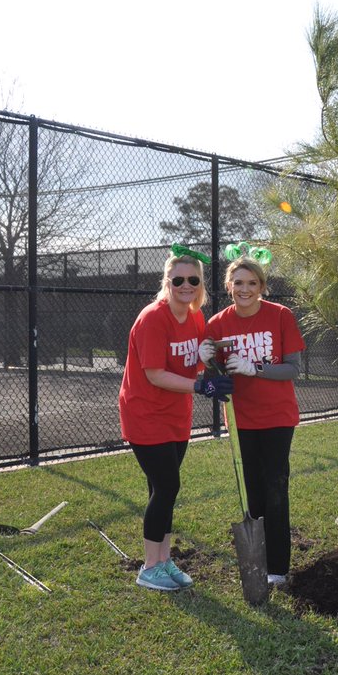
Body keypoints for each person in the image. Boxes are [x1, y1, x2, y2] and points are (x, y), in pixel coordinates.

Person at [118, 244, 234, 592]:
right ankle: (149, 567)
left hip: (175, 415)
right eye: (178, 279)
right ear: (167, 281)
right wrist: (201, 386)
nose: (186, 285)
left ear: (201, 283)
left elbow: (193, 361)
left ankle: (164, 560)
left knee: (162, 489)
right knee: (167, 486)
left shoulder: (196, 317)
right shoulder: (153, 318)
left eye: (193, 279)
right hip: (145, 413)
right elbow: (154, 374)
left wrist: (211, 370)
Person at [200, 241, 306, 587]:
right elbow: (215, 380)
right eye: (238, 283)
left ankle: (278, 567)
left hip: (277, 417)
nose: (245, 290)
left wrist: (255, 367)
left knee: (276, 488)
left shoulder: (279, 316)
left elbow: (292, 369)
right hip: (242, 420)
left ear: (262, 286)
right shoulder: (217, 323)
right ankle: (257, 560)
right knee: (253, 492)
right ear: (229, 286)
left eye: (252, 283)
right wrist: (207, 362)